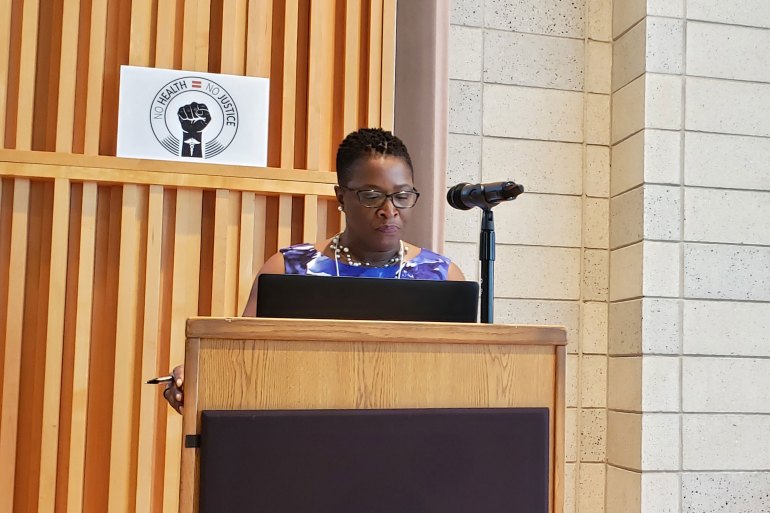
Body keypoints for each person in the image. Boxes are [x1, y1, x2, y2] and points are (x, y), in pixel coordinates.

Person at [163, 128, 465, 413]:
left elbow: (462, 377)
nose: (390, 209)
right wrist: (192, 379)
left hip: (414, 438)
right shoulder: (289, 268)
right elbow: (242, 364)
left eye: (402, 195)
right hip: (306, 436)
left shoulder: (441, 276)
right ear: (341, 197)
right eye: (372, 196)